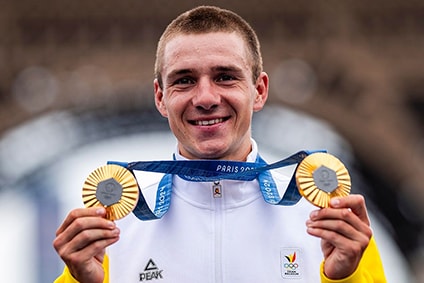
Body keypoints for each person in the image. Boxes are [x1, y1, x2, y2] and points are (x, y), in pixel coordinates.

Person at [53, 5, 386, 283]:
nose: (206, 97)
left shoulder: (329, 219)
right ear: (160, 97)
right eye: (184, 80)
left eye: (225, 76)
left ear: (259, 90)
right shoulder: (110, 231)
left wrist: (346, 278)